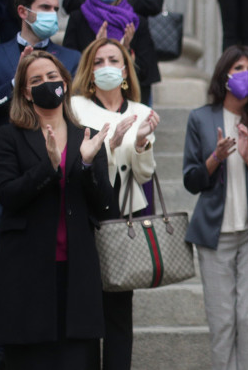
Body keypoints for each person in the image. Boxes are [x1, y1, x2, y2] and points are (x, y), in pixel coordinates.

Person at [0, 50, 111, 369]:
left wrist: (86, 163)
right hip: (26, 276)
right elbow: (7, 195)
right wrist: (48, 166)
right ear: (26, 92)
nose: (47, 84)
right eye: (37, 80)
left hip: (76, 273)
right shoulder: (9, 136)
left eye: (53, 77)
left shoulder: (87, 136)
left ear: (66, 83)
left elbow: (105, 206)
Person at [0, 0, 80, 370]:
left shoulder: (69, 58)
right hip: (7, 174)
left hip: (61, 182)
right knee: (4, 269)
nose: (52, 15)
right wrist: (16, 83)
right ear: (23, 12)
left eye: (56, 8)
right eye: (45, 7)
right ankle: (1, 349)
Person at [182, 45, 248, 370]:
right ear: (224, 73)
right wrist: (216, 157)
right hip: (215, 236)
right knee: (222, 323)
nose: (245, 74)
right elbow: (191, 180)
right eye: (238, 67)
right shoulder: (200, 118)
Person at [70, 37, 160, 370]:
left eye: (113, 60)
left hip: (124, 216)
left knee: (120, 311)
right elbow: (78, 162)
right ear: (89, 71)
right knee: (89, 309)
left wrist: (138, 142)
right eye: (98, 61)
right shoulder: (76, 107)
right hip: (87, 214)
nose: (106, 66)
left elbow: (145, 173)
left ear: (125, 69)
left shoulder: (142, 111)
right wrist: (111, 145)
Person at [62, 0, 160, 105]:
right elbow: (68, 66)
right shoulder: (78, 18)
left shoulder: (136, 21)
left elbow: (147, 71)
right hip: (88, 101)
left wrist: (127, 52)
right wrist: (95, 50)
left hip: (131, 102)